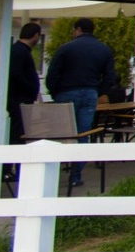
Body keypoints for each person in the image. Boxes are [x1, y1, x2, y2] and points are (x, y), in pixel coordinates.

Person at [43, 17, 117, 188]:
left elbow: (53, 74)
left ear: (78, 29)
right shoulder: (104, 50)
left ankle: (51, 174)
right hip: (90, 93)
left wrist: (55, 93)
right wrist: (98, 91)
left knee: (61, 133)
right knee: (83, 133)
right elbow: (110, 77)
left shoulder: (66, 48)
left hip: (66, 92)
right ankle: (76, 175)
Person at [4, 23, 43, 184]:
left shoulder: (19, 50)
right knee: (17, 134)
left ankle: (9, 168)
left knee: (18, 134)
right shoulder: (20, 52)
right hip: (19, 100)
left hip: (21, 98)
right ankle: (8, 169)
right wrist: (29, 88)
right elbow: (16, 74)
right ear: (35, 35)